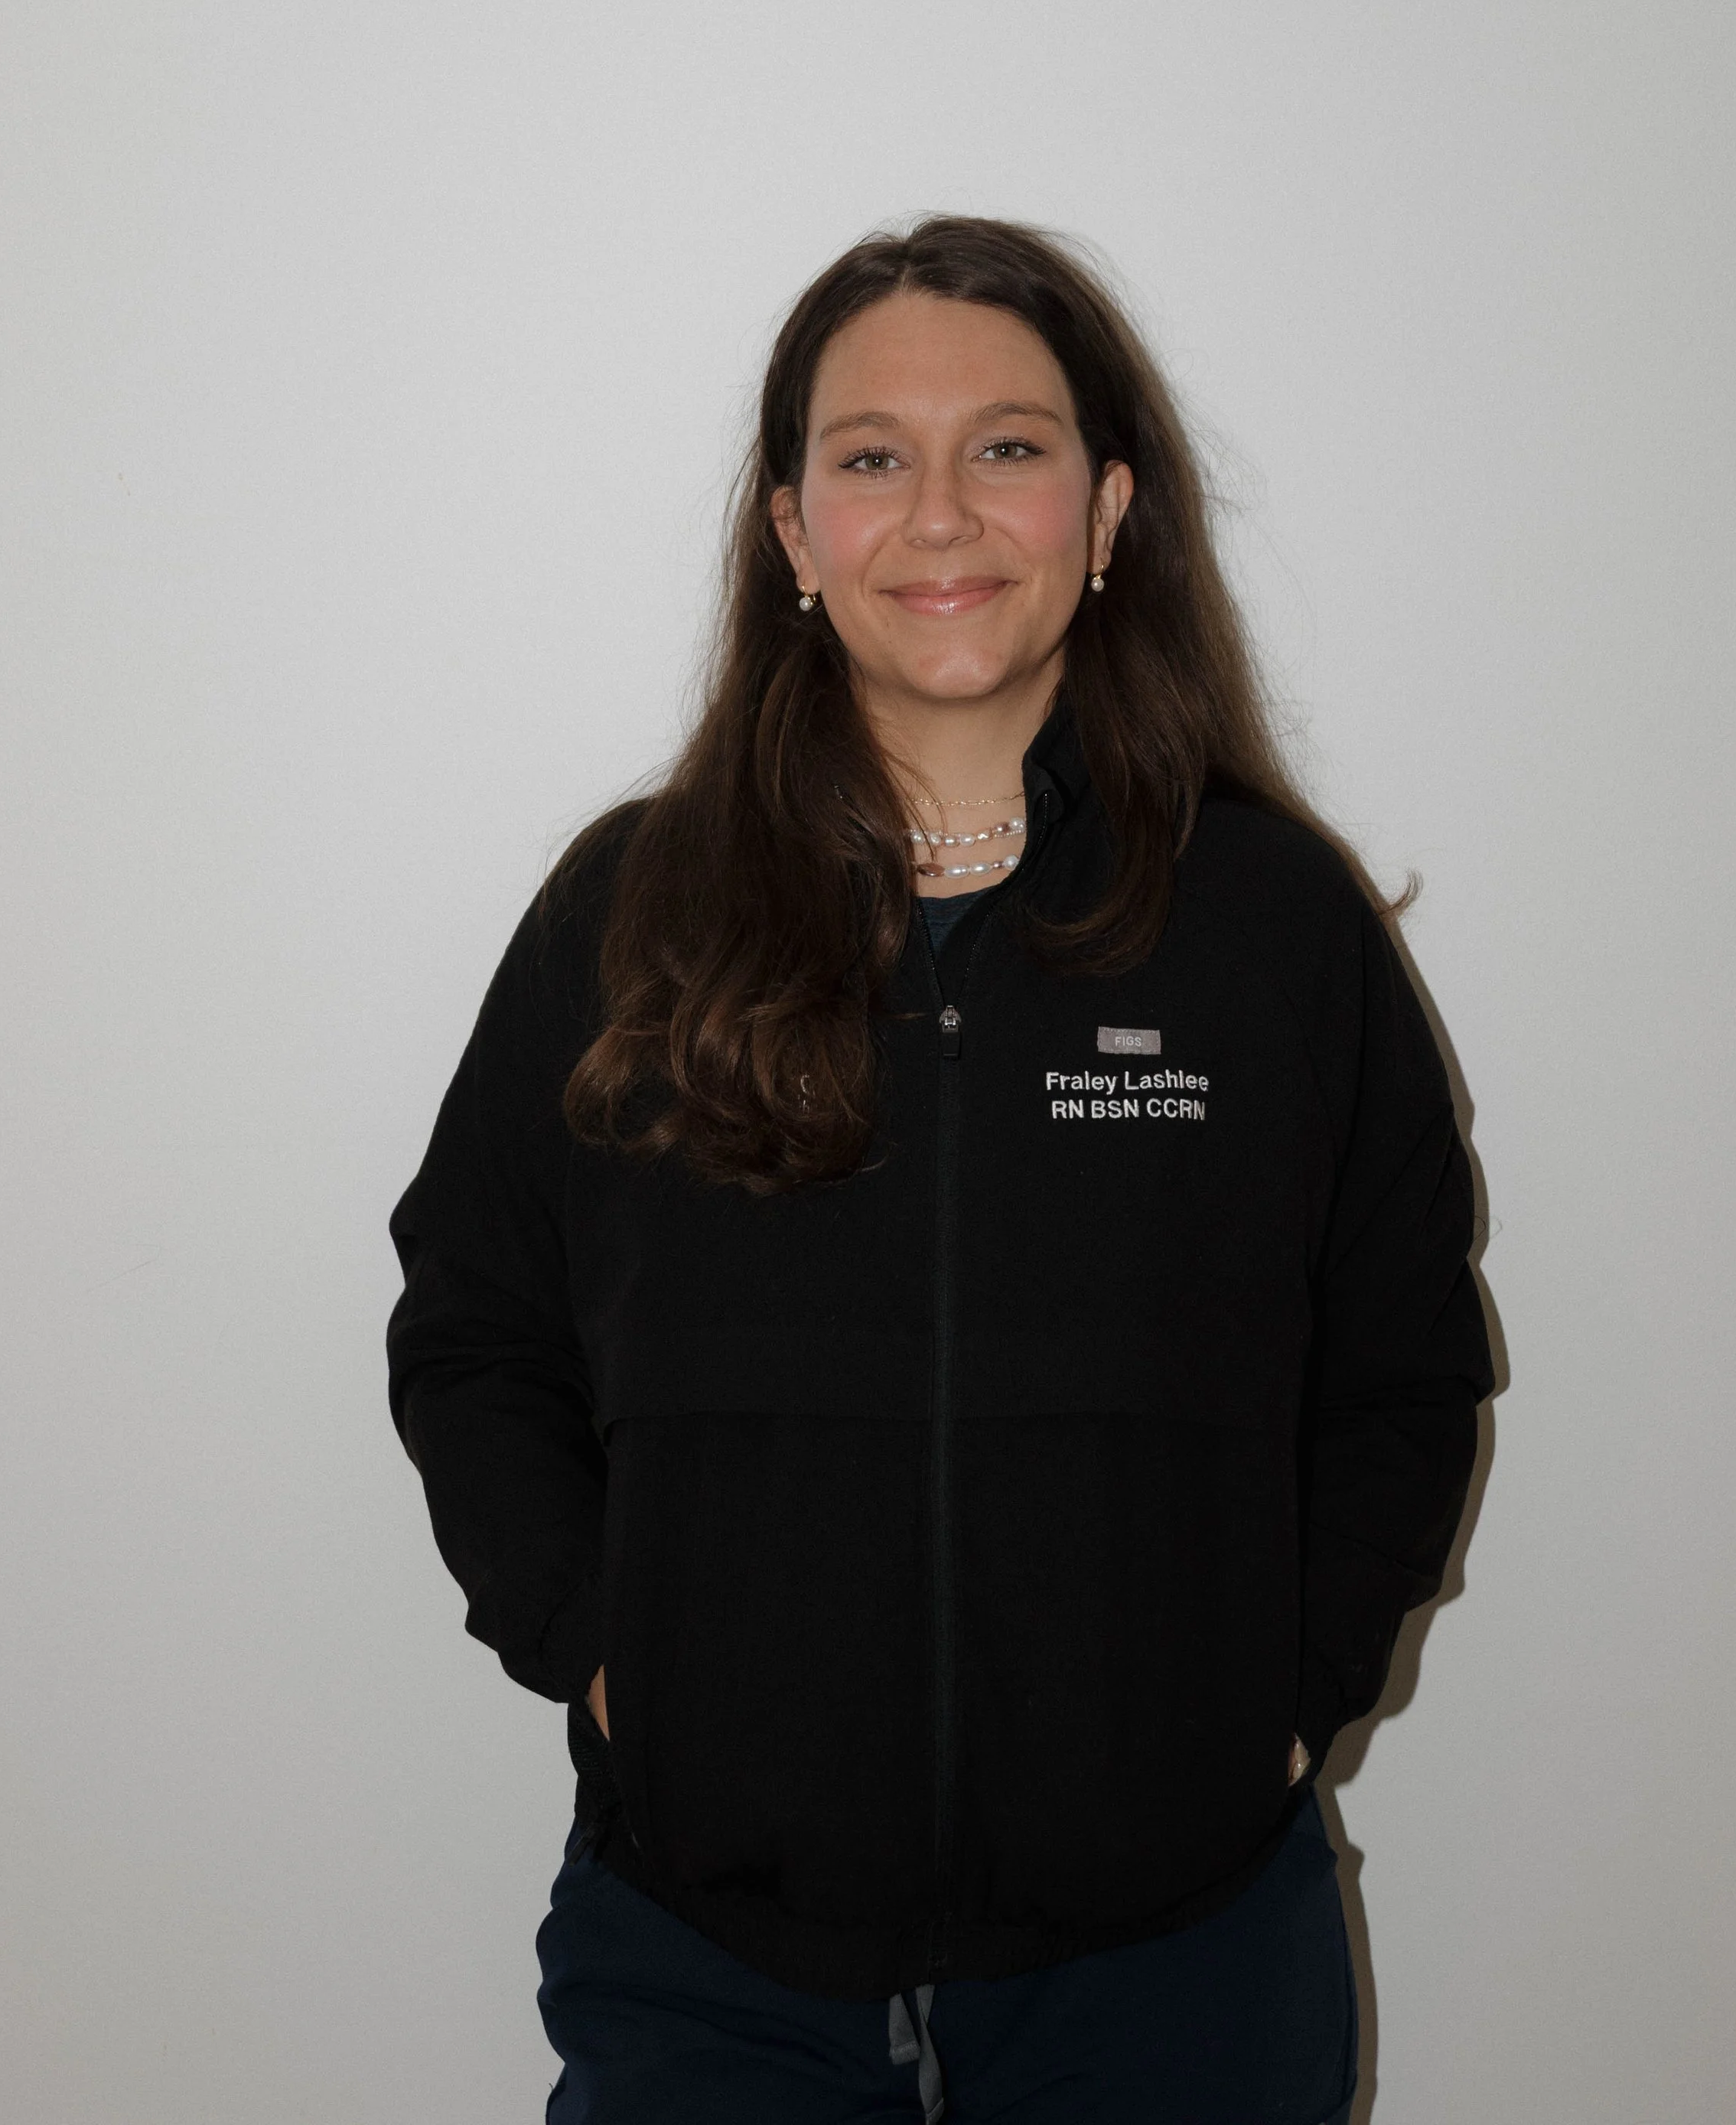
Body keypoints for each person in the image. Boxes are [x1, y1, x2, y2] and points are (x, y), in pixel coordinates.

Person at [386, 215, 1493, 2123]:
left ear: (1108, 508)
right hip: (712, 1966)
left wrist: (1281, 1702)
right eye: (870, 457)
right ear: (792, 531)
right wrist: (604, 1658)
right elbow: (475, 1330)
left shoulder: (1269, 927)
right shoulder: (630, 914)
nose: (939, 514)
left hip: (1176, 1966)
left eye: (1007, 446)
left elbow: (1400, 1366)